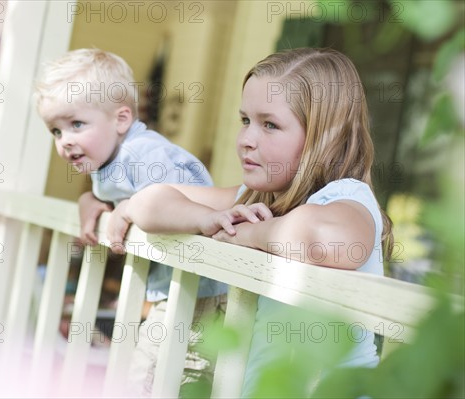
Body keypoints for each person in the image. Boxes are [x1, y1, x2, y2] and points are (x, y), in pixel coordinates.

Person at [107, 47, 394, 396]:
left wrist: (250, 234)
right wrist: (208, 218)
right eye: (245, 121)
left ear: (325, 137)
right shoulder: (255, 198)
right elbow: (152, 198)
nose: (246, 140)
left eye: (269, 124)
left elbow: (322, 240)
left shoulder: (347, 198)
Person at [34, 48, 228, 396]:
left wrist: (131, 206)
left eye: (76, 124)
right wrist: (91, 199)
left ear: (121, 119)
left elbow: (182, 203)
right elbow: (117, 194)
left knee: (148, 379)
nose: (65, 142)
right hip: (175, 292)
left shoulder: (143, 154)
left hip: (199, 293)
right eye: (55, 131)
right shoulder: (110, 158)